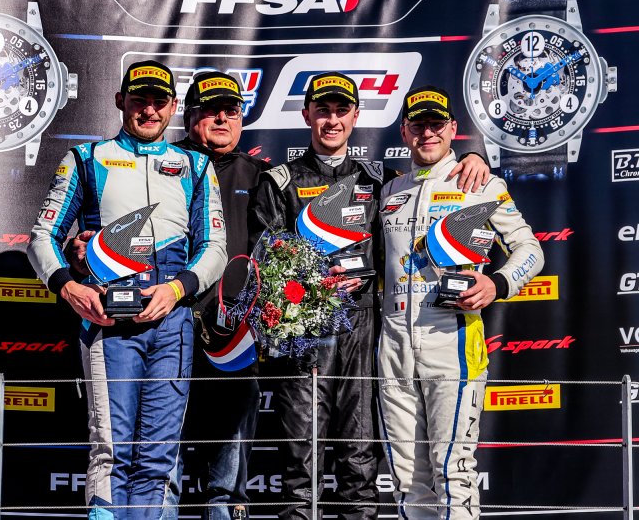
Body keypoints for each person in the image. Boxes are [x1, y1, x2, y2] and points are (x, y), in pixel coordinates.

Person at [248, 73, 490, 520]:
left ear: (356, 116)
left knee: (359, 462)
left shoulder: (381, 181)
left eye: (342, 110)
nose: (332, 120)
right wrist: (311, 285)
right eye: (323, 110)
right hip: (303, 335)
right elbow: (262, 264)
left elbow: (434, 179)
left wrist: (476, 156)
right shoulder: (279, 181)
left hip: (364, 333)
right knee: (300, 462)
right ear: (306, 115)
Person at [27, 60, 227, 520]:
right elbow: (42, 237)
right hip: (107, 320)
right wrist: (69, 288)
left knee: (159, 458)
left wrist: (176, 289)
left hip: (172, 322)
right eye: (140, 100)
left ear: (173, 107)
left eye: (159, 101)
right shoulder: (85, 158)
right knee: (111, 451)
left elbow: (215, 247)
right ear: (121, 101)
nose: (149, 110)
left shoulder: (197, 166)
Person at [377, 85, 544, 519]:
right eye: (418, 125)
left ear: (453, 128)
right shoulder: (389, 190)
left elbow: (531, 250)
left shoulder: (479, 182)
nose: (427, 133)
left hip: (452, 338)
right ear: (404, 131)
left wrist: (498, 284)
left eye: (437, 124)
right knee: (406, 478)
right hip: (393, 342)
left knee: (453, 470)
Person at [176, 71, 270, 520]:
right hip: (170, 322)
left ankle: (225, 511)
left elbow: (281, 250)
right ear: (189, 118)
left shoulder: (261, 174)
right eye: (210, 111)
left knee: (229, 474)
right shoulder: (166, 165)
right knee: (163, 453)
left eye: (230, 111)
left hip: (235, 331)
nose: (221, 119)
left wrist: (473, 156)